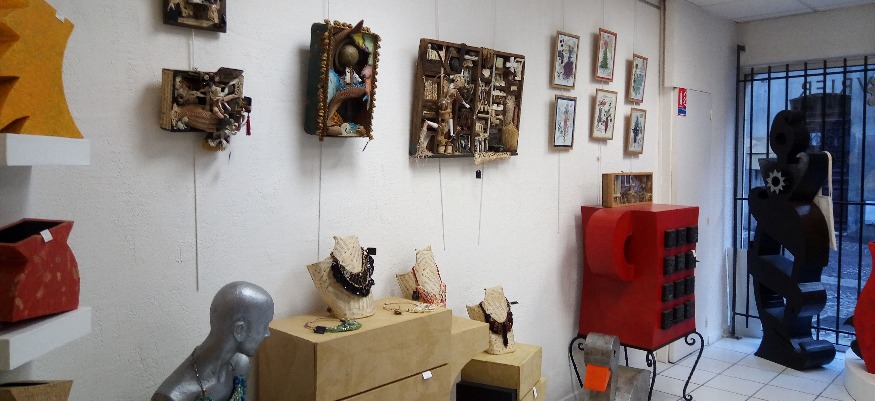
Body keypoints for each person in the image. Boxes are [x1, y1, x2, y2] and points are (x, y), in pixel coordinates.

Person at [153, 282, 274, 401]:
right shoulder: (171, 397)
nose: (267, 334)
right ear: (239, 330)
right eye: (264, 326)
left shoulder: (240, 365)